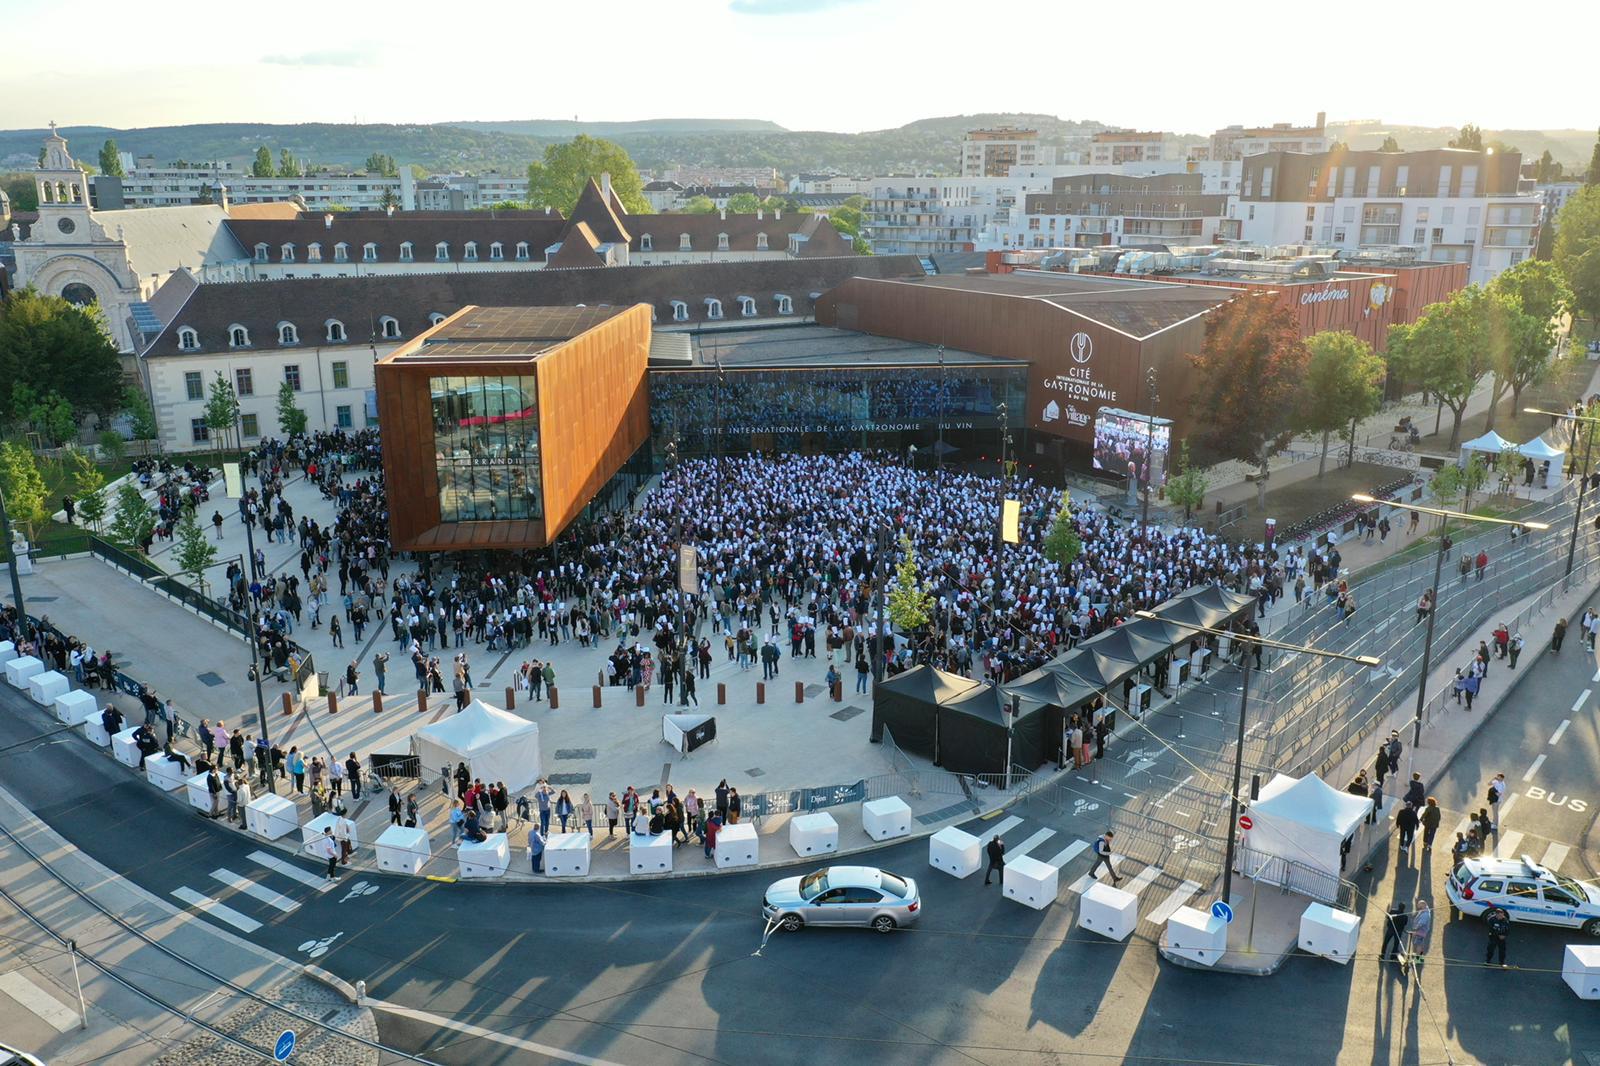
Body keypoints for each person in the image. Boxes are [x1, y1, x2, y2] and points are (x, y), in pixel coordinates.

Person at [1407, 899, 1433, 968]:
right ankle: (1420, 958)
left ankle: (1417, 960)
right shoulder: (1425, 910)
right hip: (1422, 932)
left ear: (1423, 905)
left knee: (1419, 945)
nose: (1418, 906)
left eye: (1419, 905)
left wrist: (1415, 929)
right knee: (1420, 944)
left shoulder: (1425, 914)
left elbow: (1421, 924)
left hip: (1421, 932)